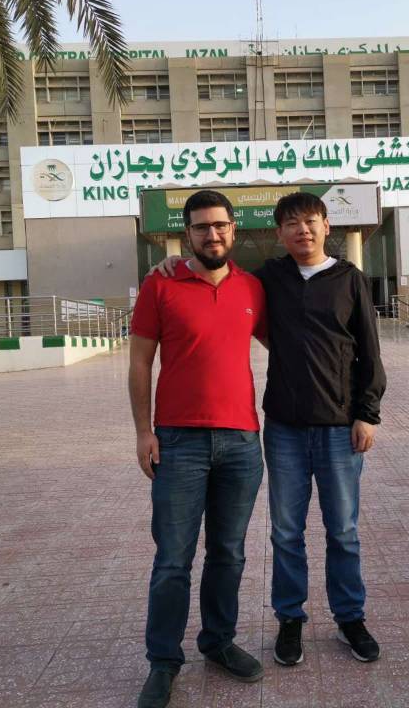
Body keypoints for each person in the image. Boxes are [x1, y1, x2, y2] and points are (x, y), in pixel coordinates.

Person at [152, 192, 386, 668]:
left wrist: (368, 413)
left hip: (340, 428)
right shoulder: (267, 280)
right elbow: (217, 273)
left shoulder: (350, 279)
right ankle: (290, 619)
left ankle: (350, 618)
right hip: (284, 430)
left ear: (327, 226)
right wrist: (171, 262)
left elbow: (370, 352)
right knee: (286, 532)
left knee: (343, 530)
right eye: (292, 224)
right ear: (279, 233)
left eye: (311, 221)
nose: (303, 230)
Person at [128, 189, 267, 708]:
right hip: (178, 442)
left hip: (242, 442)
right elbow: (140, 362)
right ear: (187, 233)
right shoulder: (160, 285)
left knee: (229, 553)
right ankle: (163, 661)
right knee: (173, 559)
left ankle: (218, 641)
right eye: (202, 227)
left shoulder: (253, 287)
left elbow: (291, 341)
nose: (213, 234)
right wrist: (143, 432)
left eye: (220, 225)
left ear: (234, 229)